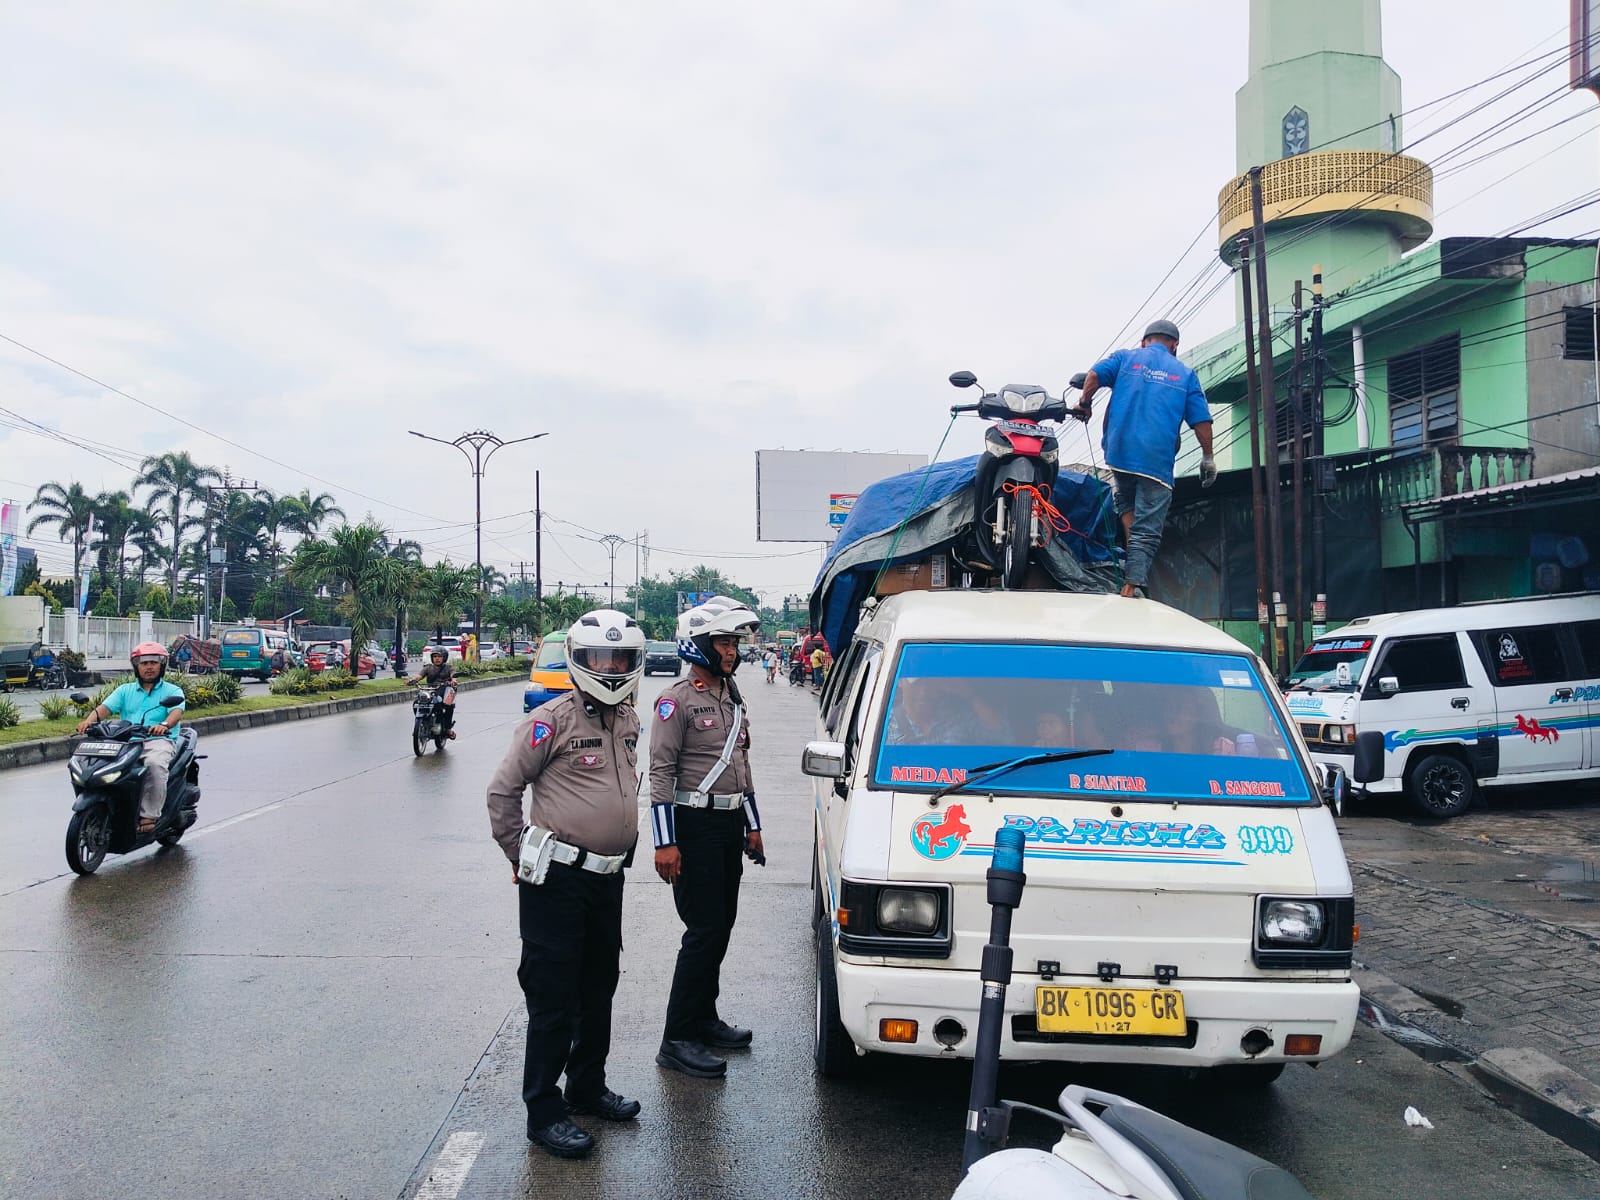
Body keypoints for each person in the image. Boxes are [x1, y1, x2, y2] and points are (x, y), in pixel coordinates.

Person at [486, 608, 646, 1159]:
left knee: (599, 986)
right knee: (553, 998)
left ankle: (586, 1086)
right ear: (579, 662)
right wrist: (520, 856)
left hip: (607, 881)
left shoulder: (627, 718)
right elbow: (502, 793)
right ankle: (544, 1111)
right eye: (600, 658)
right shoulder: (549, 721)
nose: (610, 667)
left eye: (620, 659)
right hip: (556, 880)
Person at [649, 596, 764, 1080]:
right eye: (723, 642)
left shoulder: (730, 694)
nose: (732, 651)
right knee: (703, 931)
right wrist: (664, 842)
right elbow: (660, 772)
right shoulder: (677, 699)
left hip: (727, 824)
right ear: (698, 644)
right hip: (691, 828)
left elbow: (742, 766)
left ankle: (704, 1019)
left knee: (723, 925)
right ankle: (676, 1038)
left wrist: (753, 825)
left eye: (735, 643)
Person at [1071, 318, 1218, 600]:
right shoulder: (1185, 375)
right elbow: (1201, 421)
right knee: (1147, 530)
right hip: (1155, 463)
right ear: (1174, 346)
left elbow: (1092, 376)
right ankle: (1132, 587)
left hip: (1119, 454)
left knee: (1126, 504)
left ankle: (1132, 571)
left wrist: (1085, 404)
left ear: (1144, 341)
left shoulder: (1126, 358)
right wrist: (1208, 457)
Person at [75, 642, 185, 834]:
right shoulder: (125, 690)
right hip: (125, 742)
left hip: (157, 740)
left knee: (154, 764)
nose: (148, 667)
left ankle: (149, 814)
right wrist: (88, 722)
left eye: (153, 662)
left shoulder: (172, 691)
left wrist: (163, 725)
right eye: (143, 663)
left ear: (162, 665)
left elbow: (176, 712)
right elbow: (104, 709)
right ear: (136, 667)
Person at [408, 647, 458, 738]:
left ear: (444, 657)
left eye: (439, 656)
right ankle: (421, 723)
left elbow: (453, 675)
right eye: (435, 656)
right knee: (417, 703)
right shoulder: (427, 668)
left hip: (445, 690)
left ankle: (448, 729)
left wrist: (453, 680)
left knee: (449, 706)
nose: (437, 658)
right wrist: (412, 680)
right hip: (430, 691)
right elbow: (419, 676)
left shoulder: (449, 667)